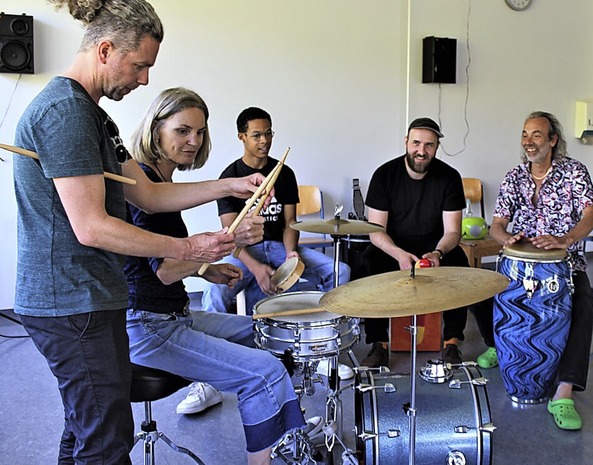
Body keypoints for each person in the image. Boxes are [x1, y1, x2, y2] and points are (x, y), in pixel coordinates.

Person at [11, 2, 268, 464]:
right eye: (140, 65)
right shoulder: (65, 113)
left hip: (93, 296)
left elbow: (147, 195)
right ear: (106, 50)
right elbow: (91, 226)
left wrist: (232, 184)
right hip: (70, 301)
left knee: (86, 427)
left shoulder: (95, 115)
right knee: (107, 440)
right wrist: (190, 248)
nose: (145, 79)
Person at [124, 88, 309, 465]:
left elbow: (170, 255)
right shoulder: (141, 186)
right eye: (182, 131)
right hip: (147, 326)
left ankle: (282, 431)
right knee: (264, 373)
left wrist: (208, 270)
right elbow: (161, 272)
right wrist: (227, 245)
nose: (193, 141)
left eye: (201, 132)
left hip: (175, 316)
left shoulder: (161, 183)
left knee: (270, 330)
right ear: (155, 129)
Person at [200, 107, 352, 378]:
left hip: (281, 245)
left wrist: (292, 252)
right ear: (241, 137)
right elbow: (230, 234)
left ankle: (322, 349)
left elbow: (290, 222)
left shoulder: (284, 173)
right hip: (245, 252)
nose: (265, 141)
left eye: (268, 133)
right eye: (257, 134)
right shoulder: (230, 177)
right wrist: (257, 268)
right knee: (214, 293)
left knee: (340, 271)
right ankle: (213, 371)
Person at [480, 111, 593, 431]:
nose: (528, 142)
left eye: (536, 135)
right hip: (519, 265)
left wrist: (566, 238)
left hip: (564, 263)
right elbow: (497, 225)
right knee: (479, 288)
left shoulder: (574, 172)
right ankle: (501, 347)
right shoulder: (515, 176)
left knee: (584, 304)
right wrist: (506, 238)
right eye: (524, 134)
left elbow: (592, 216)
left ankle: (563, 392)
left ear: (552, 140)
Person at [357, 117, 476, 368]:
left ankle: (451, 342)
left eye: (429, 145)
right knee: (368, 263)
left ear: (437, 147)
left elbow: (453, 232)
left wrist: (438, 253)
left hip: (434, 248)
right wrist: (398, 253)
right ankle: (379, 344)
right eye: (416, 143)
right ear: (406, 142)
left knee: (460, 264)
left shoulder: (449, 177)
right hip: (393, 247)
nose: (421, 151)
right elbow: (375, 232)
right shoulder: (384, 175)